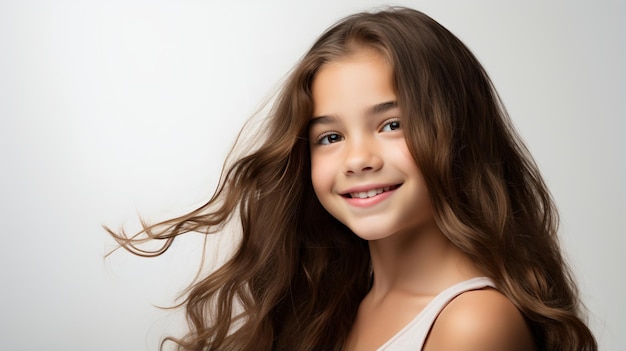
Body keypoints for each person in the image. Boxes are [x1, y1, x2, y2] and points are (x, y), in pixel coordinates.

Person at [108, 7, 597, 351]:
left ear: (459, 133)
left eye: (391, 125)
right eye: (330, 136)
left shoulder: (472, 323)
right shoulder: (334, 305)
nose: (357, 158)